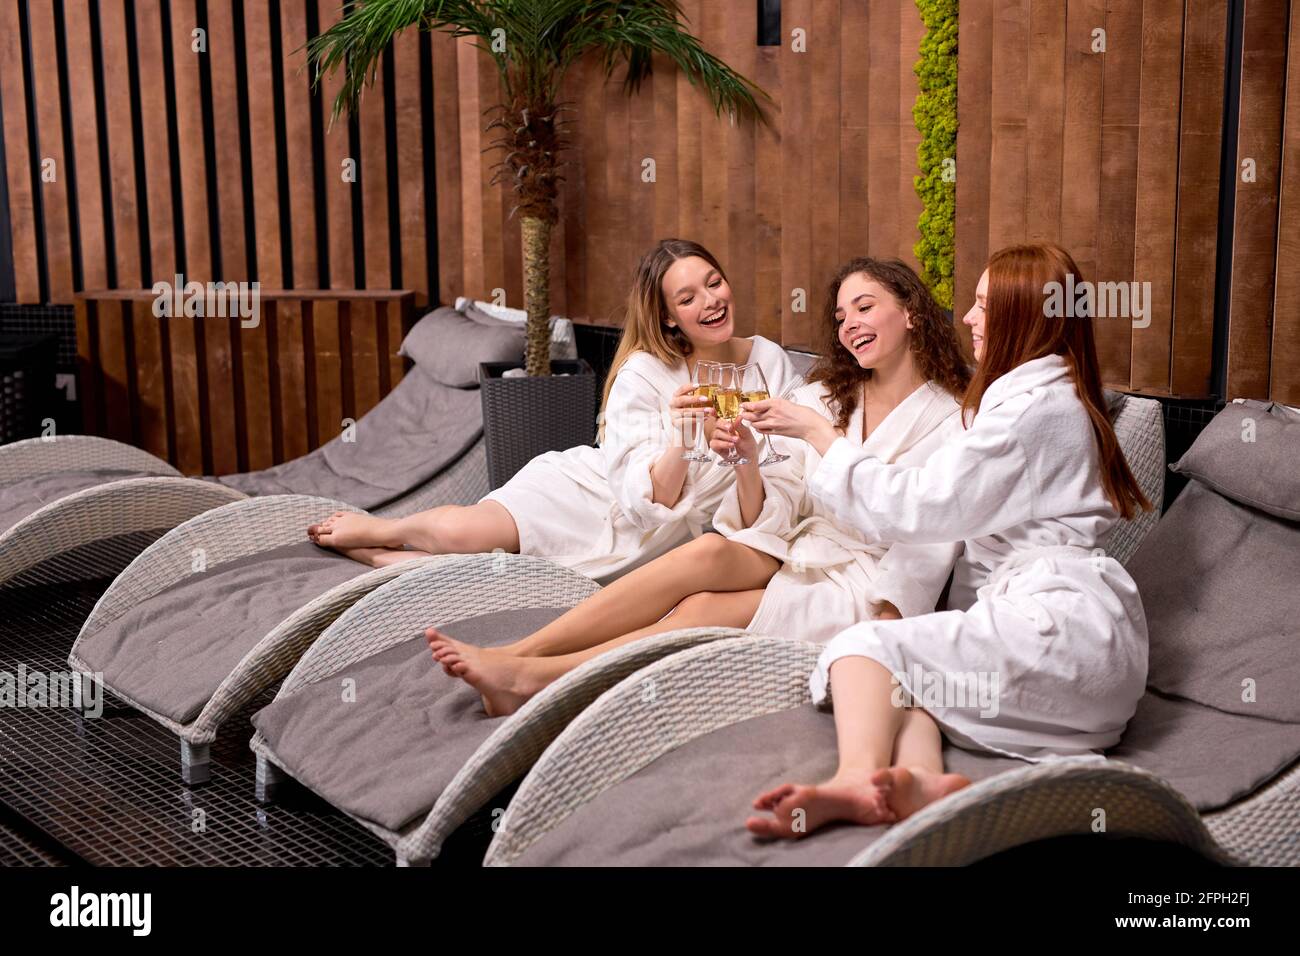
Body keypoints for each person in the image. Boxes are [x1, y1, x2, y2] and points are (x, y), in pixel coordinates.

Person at [425, 258, 972, 717]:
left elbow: (933, 533)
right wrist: (748, 463)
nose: (849, 323)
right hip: (798, 540)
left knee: (705, 607)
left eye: (865, 306)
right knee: (710, 548)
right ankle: (521, 651)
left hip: (859, 579)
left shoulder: (952, 421)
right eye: (841, 314)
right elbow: (783, 498)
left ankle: (535, 679)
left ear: (913, 313)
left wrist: (889, 627)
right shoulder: (828, 393)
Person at [742, 242, 1152, 837]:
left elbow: (923, 507)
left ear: (1022, 314)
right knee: (912, 677)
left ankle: (853, 775)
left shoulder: (1028, 414)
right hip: (1088, 669)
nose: (968, 317)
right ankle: (922, 780)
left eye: (984, 305)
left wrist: (819, 435)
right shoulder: (1037, 402)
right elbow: (943, 518)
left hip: (1063, 638)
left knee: (861, 651)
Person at [307, 238, 802, 582]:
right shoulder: (645, 372)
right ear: (668, 318)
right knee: (468, 534)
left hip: (669, 541)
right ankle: (387, 529)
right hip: (593, 497)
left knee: (485, 571)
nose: (711, 301)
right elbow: (640, 501)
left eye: (714, 283)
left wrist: (746, 456)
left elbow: (784, 467)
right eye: (688, 298)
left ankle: (388, 559)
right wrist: (682, 438)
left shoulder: (769, 361)